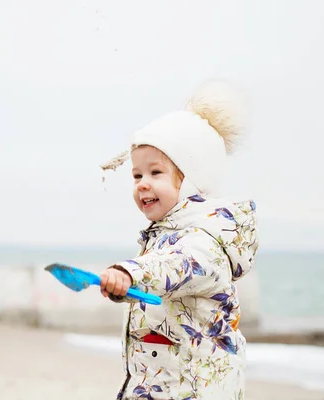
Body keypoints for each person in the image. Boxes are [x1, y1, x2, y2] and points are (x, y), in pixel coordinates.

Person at [99, 80, 259, 400]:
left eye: (155, 173)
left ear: (191, 179)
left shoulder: (204, 242)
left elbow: (173, 267)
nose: (143, 184)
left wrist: (130, 273)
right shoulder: (164, 236)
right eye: (136, 175)